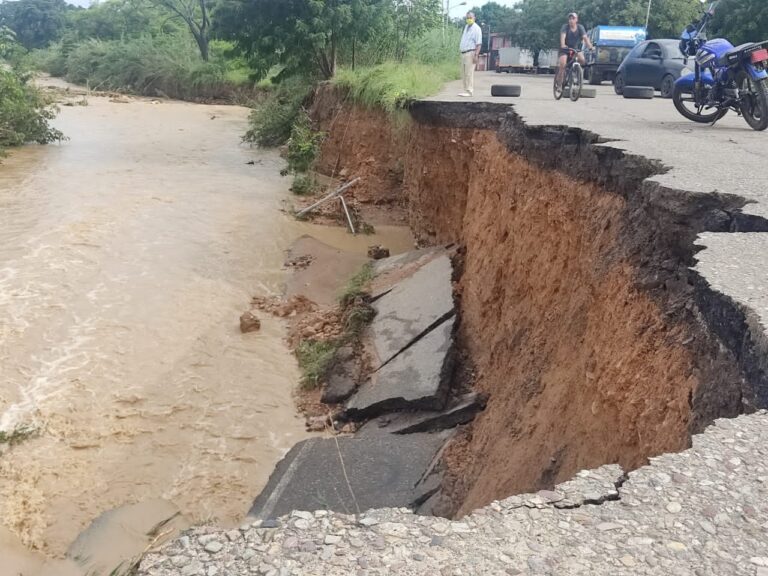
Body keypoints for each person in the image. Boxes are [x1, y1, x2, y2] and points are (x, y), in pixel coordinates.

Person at [557, 12, 592, 84]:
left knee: (582, 59)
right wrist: (563, 44)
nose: (571, 20)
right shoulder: (565, 27)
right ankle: (560, 83)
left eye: (573, 18)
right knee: (563, 64)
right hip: (565, 49)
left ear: (577, 20)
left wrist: (590, 47)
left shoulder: (580, 27)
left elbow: (585, 38)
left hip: (575, 49)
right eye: (570, 19)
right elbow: (563, 36)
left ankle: (577, 71)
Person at [458, 11, 482, 97]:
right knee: (464, 73)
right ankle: (465, 90)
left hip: (470, 52)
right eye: (467, 18)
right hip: (463, 53)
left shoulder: (477, 29)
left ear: (474, 18)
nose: (469, 19)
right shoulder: (466, 27)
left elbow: (478, 44)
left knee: (469, 72)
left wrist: (476, 55)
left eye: (470, 18)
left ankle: (470, 91)